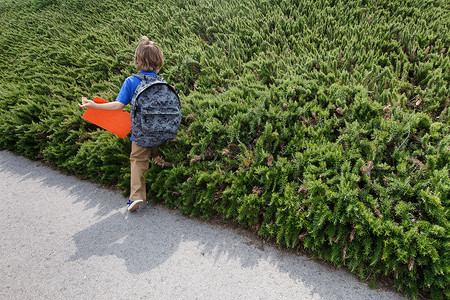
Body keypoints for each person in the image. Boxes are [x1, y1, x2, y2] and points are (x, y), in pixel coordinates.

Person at [79, 36, 165, 212]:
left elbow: (118, 105)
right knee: (159, 157)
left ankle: (136, 197)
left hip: (140, 132)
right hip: (161, 130)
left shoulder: (131, 81)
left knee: (138, 159)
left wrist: (94, 105)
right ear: (159, 61)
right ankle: (163, 188)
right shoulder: (162, 82)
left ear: (137, 60)